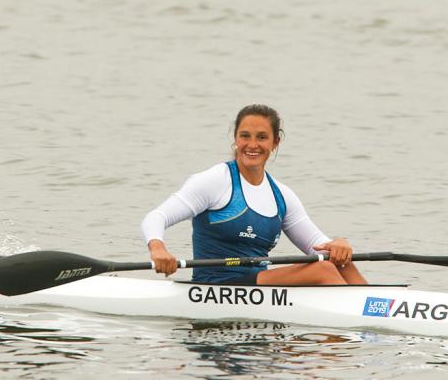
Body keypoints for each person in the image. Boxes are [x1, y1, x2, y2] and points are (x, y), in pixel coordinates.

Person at [141, 104, 367, 284]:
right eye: (245, 136)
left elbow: (318, 245)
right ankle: (358, 324)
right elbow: (156, 217)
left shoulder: (282, 195)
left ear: (275, 142)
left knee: (338, 260)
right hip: (216, 284)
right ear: (235, 139)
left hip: (256, 286)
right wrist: (158, 248)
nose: (252, 145)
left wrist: (338, 244)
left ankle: (372, 307)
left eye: (261, 137)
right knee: (323, 270)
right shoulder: (215, 180)